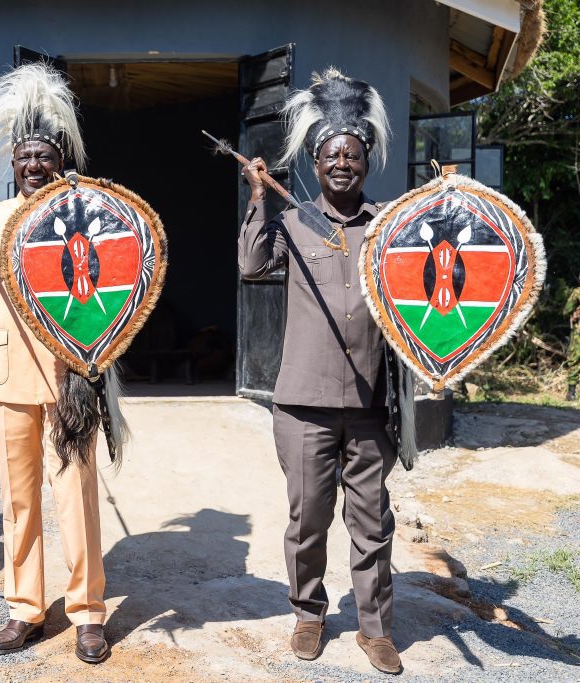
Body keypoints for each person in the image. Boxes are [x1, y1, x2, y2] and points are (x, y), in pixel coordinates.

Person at [0, 62, 109, 664]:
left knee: (75, 495)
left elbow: (113, 291)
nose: (34, 165)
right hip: (4, 371)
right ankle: (26, 611)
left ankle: (88, 612)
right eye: (24, 157)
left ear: (59, 160)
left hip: (69, 374)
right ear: (11, 162)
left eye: (44, 155)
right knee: (19, 498)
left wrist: (95, 361)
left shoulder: (85, 213)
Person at [238, 68, 402, 675]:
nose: (341, 163)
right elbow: (252, 266)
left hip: (368, 405)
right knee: (307, 521)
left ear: (366, 161)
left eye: (352, 154)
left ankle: (375, 629)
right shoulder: (294, 221)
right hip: (302, 404)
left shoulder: (388, 228)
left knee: (372, 522)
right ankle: (309, 614)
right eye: (331, 154)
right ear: (315, 159)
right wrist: (259, 198)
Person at [564, 285, 580, 401]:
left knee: (574, 360)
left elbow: (566, 310)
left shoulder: (577, 292)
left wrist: (574, 312)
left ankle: (571, 394)